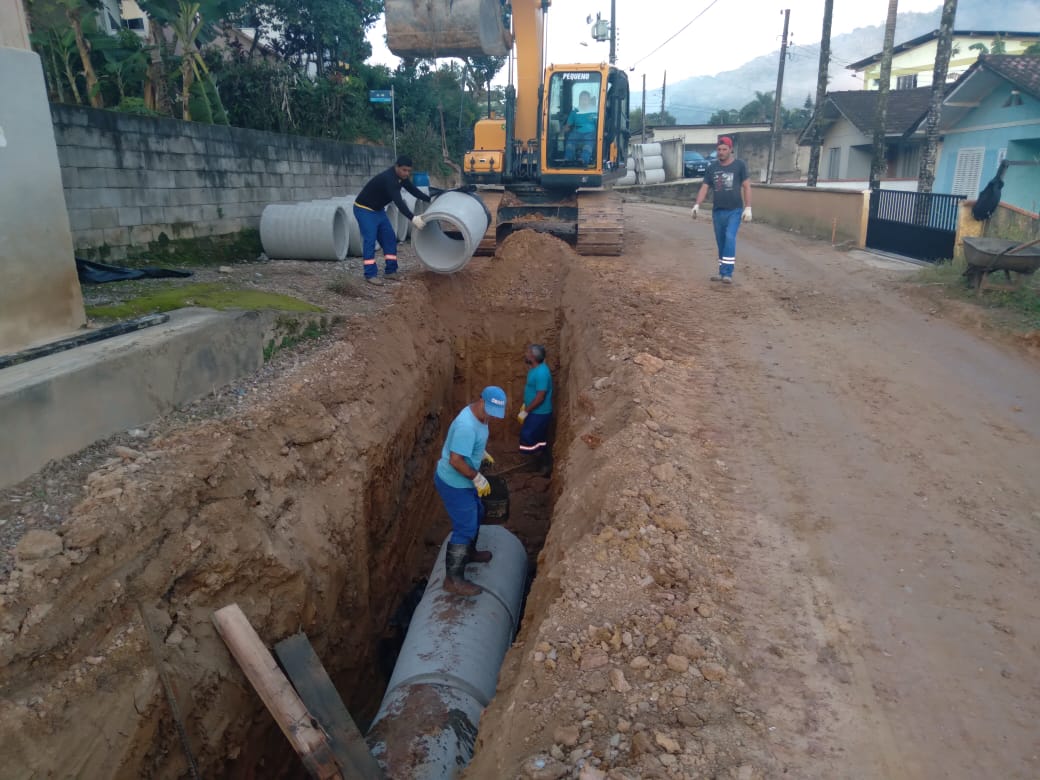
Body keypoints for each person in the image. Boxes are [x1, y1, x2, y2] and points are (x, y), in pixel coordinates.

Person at [434, 386, 507, 596]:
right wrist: (476, 477)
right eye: (491, 411)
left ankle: (470, 552)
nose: (492, 417)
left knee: (478, 512)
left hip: (464, 481)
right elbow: (455, 460)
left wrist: (480, 452)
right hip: (454, 483)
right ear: (482, 401)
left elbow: (471, 442)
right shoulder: (466, 426)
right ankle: (452, 580)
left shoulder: (481, 417)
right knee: (465, 527)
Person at [353, 155, 432, 286]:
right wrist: (413, 218)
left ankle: (390, 271)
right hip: (364, 209)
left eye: (409, 171)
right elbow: (399, 203)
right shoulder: (389, 179)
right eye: (404, 170)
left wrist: (430, 199)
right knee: (370, 240)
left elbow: (413, 190)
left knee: (389, 237)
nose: (406, 173)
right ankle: (370, 274)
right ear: (397, 167)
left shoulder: (401, 178)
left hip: (378, 210)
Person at [690, 136, 752, 284]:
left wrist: (748, 207)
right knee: (721, 241)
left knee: (730, 237)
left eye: (724, 149)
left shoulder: (739, 165)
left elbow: (747, 186)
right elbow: (705, 187)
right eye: (719, 149)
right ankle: (722, 271)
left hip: (734, 210)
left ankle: (728, 273)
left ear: (731, 150)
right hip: (718, 211)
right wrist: (697, 204)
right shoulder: (712, 168)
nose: (721, 152)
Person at [517, 344, 553, 475]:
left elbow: (540, 397)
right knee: (538, 438)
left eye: (528, 353)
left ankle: (545, 464)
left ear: (533, 357)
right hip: (534, 411)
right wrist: (525, 405)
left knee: (527, 436)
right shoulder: (534, 368)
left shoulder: (542, 373)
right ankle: (541, 463)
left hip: (539, 412)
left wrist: (527, 410)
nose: (525, 354)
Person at [564, 90, 599, 166]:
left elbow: (599, 124)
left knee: (589, 143)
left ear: (589, 100)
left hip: (590, 133)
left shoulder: (594, 111)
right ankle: (568, 159)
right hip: (577, 132)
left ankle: (583, 160)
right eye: (582, 99)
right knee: (570, 141)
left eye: (585, 99)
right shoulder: (575, 111)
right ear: (579, 100)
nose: (584, 101)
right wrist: (562, 131)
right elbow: (568, 124)